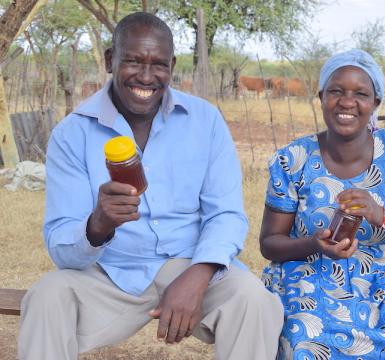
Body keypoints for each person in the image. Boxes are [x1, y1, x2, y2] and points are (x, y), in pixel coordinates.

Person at [18, 12, 283, 360]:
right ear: (110, 60)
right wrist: (97, 225)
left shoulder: (205, 120)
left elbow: (227, 215)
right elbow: (62, 249)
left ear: (172, 65)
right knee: (47, 296)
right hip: (111, 272)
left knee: (254, 301)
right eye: (132, 61)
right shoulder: (72, 134)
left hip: (193, 264)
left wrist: (199, 274)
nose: (145, 76)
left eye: (158, 64)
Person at [259, 49, 385, 359]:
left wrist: (380, 214)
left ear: (376, 103)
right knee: (307, 341)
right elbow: (270, 243)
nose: (347, 102)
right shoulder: (294, 159)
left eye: (361, 93)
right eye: (336, 91)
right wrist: (315, 244)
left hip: (382, 281)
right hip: (307, 276)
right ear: (321, 96)